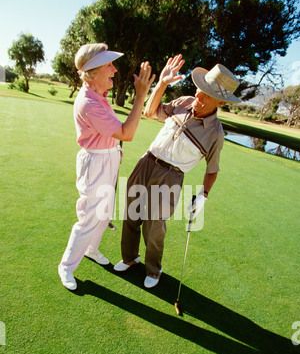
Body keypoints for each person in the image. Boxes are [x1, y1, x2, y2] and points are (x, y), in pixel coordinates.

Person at [114, 54, 241, 288]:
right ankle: (130, 258)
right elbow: (150, 112)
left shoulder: (215, 134)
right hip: (146, 161)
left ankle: (153, 271)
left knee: (154, 226)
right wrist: (162, 83)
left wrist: (203, 196)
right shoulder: (183, 101)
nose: (199, 97)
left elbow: (212, 169)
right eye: (200, 90)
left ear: (220, 103)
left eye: (207, 95)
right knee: (131, 214)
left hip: (170, 177)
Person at [58, 43, 155, 290]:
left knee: (105, 212)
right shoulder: (89, 102)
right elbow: (127, 133)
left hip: (108, 158)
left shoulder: (99, 96)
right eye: (108, 65)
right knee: (90, 217)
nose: (114, 70)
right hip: (97, 162)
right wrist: (141, 94)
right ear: (93, 72)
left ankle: (90, 249)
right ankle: (66, 266)